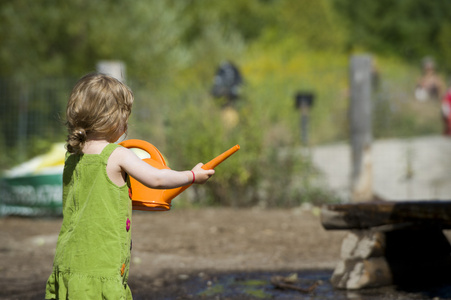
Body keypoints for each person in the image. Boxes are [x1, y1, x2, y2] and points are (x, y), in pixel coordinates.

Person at [45, 73, 215, 299]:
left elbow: (97, 201)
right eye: (126, 116)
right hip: (101, 264)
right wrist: (192, 176)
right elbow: (157, 179)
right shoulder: (117, 155)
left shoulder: (73, 155)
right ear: (114, 119)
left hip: (68, 260)